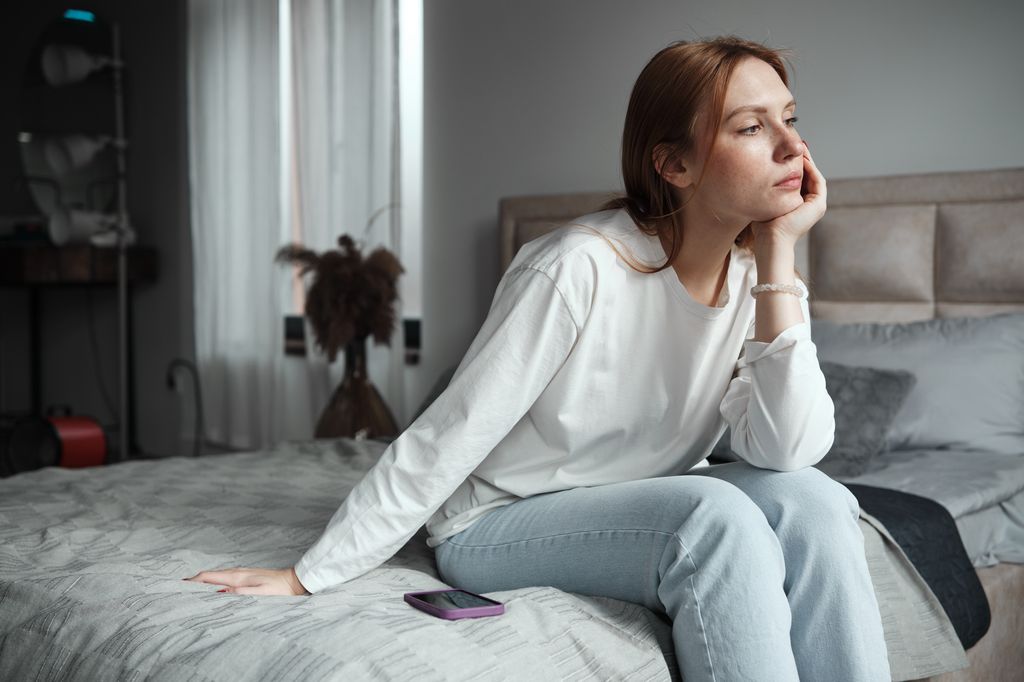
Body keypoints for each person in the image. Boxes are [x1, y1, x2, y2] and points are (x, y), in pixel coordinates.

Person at [186, 36, 892, 681]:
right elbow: (447, 433)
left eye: (790, 119)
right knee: (716, 516)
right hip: (494, 525)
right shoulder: (576, 266)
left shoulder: (755, 279)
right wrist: (310, 574)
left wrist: (778, 256)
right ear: (673, 163)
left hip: (625, 502)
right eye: (750, 126)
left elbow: (789, 449)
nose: (790, 147)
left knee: (821, 502)